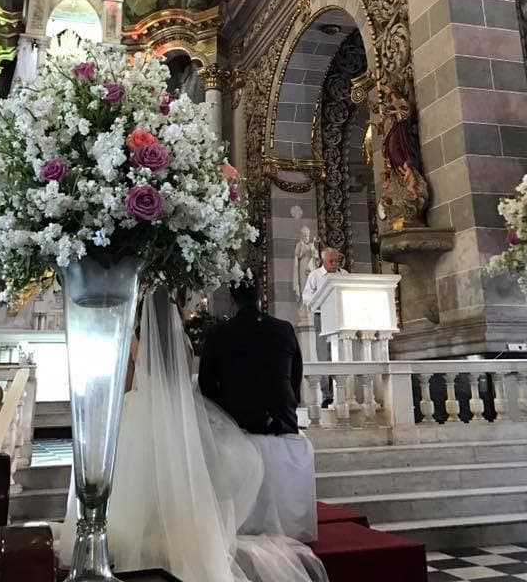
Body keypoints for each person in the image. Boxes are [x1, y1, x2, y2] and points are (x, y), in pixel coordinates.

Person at [59, 289, 327, 582]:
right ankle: (182, 534)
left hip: (141, 407)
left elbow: (129, 382)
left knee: (129, 475)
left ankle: (119, 539)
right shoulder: (185, 341)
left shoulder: (136, 340)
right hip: (181, 412)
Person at [199, 281, 317, 543]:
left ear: (233, 300)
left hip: (240, 423)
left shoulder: (220, 333)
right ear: (262, 297)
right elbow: (296, 375)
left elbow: (206, 386)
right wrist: (285, 407)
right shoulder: (284, 329)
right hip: (283, 421)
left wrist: (227, 413)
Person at [302, 248, 347, 407]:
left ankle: (341, 392)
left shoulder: (344, 275)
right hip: (321, 316)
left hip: (341, 318)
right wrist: (321, 298)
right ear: (323, 261)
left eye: (337, 261)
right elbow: (306, 297)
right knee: (323, 354)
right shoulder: (315, 276)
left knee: (341, 354)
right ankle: (326, 394)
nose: (335, 264)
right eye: (331, 261)